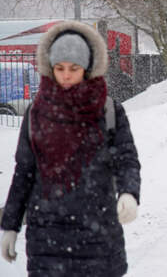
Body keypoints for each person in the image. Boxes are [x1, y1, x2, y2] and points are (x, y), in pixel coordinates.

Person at [0, 21, 141, 276]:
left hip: (98, 235)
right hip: (47, 239)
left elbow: (126, 159)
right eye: (59, 68)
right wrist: (10, 225)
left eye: (73, 68)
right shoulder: (36, 113)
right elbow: (24, 172)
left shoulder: (108, 111)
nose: (66, 75)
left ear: (86, 68)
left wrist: (129, 193)